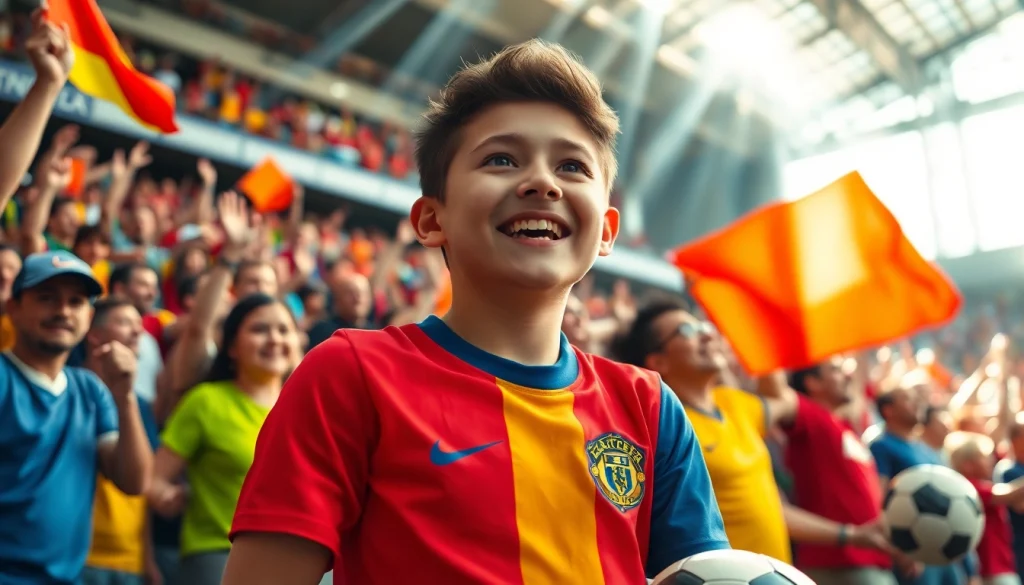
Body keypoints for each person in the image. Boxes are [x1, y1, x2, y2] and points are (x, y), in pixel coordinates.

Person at [222, 39, 730, 585]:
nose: (543, 182)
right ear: (430, 220)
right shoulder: (352, 373)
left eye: (572, 165)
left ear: (606, 231)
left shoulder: (650, 408)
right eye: (501, 159)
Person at [613, 299, 888, 565]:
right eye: (686, 331)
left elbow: (772, 510)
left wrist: (853, 535)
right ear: (658, 362)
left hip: (776, 574)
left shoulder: (735, 404)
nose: (707, 336)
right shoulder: (664, 427)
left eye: (703, 327)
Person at [148, 227, 300, 585]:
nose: (274, 339)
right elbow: (153, 479)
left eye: (283, 330)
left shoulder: (308, 409)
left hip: (298, 562)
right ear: (231, 346)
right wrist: (164, 495)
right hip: (217, 558)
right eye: (259, 330)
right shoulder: (206, 401)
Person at [0, 251, 152, 584]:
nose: (63, 311)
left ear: (89, 316)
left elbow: (134, 482)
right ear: (13, 307)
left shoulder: (90, 390)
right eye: (46, 298)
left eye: (76, 301)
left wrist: (125, 396)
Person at [786, 361, 899, 584]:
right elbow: (778, 393)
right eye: (836, 370)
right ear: (813, 382)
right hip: (839, 563)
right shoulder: (811, 417)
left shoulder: (844, 427)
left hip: (871, 559)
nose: (848, 376)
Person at [81, 298, 162, 585]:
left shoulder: (139, 405)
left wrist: (147, 557)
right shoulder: (72, 391)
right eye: (125, 322)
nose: (138, 331)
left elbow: (144, 483)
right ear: (94, 335)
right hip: (80, 557)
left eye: (139, 324)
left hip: (130, 560)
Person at [870, 385, 962, 585]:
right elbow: (878, 498)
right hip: (916, 551)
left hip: (944, 548)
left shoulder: (926, 449)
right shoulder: (881, 446)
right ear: (888, 410)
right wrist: (900, 548)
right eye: (907, 399)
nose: (917, 403)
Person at [949, 433, 1024, 585]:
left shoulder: (982, 485)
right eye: (985, 457)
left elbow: (1018, 504)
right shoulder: (969, 487)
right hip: (991, 569)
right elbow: (1008, 494)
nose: (991, 461)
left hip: (1002, 565)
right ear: (968, 464)